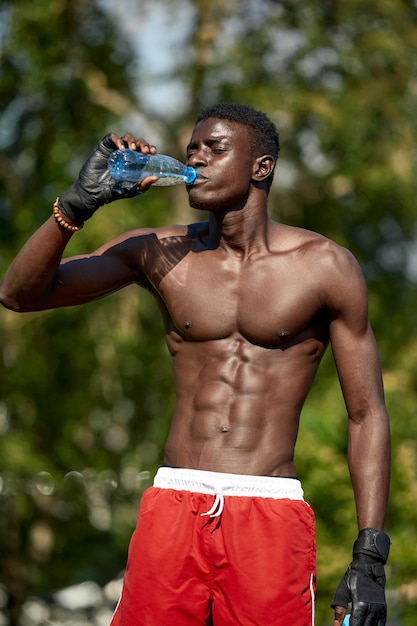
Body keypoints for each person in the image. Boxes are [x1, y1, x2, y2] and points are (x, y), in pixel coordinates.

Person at [0, 103, 390, 626]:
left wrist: (370, 556)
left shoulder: (324, 266)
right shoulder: (161, 251)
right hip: (174, 503)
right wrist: (76, 204)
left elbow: (366, 414)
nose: (197, 159)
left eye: (215, 148)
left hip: (268, 508)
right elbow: (19, 294)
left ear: (261, 167)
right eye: (191, 150)